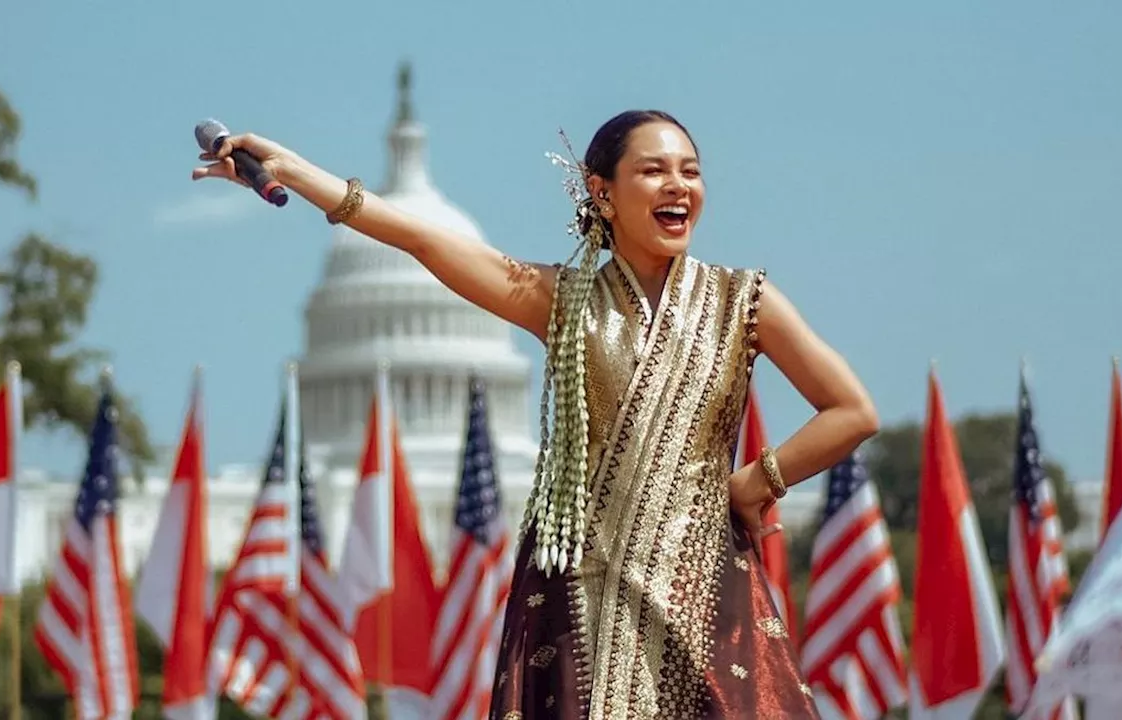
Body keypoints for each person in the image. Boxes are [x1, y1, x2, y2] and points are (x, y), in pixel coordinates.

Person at [193, 109, 879, 719]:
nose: (678, 186)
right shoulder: (562, 299)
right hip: (581, 597)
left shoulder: (744, 302)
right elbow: (424, 242)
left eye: (690, 172)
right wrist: (296, 172)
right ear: (601, 192)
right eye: (654, 171)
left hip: (706, 591)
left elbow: (851, 410)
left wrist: (757, 482)